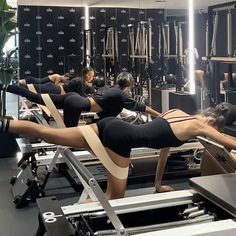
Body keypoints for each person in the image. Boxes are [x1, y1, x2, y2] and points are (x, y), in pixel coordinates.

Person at [1, 107, 233, 199]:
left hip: (110, 124)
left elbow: (164, 152)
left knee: (49, 134)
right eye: (214, 128)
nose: (210, 133)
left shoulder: (177, 112)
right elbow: (227, 142)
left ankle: (6, 124)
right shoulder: (200, 125)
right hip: (122, 139)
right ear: (212, 121)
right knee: (114, 199)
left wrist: (158, 184)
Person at [0, 72, 160, 127]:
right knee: (70, 137)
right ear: (129, 85)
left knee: (34, 96)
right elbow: (141, 107)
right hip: (76, 104)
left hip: (73, 99)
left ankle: (4, 86)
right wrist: (159, 115)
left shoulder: (108, 89)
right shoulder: (121, 95)